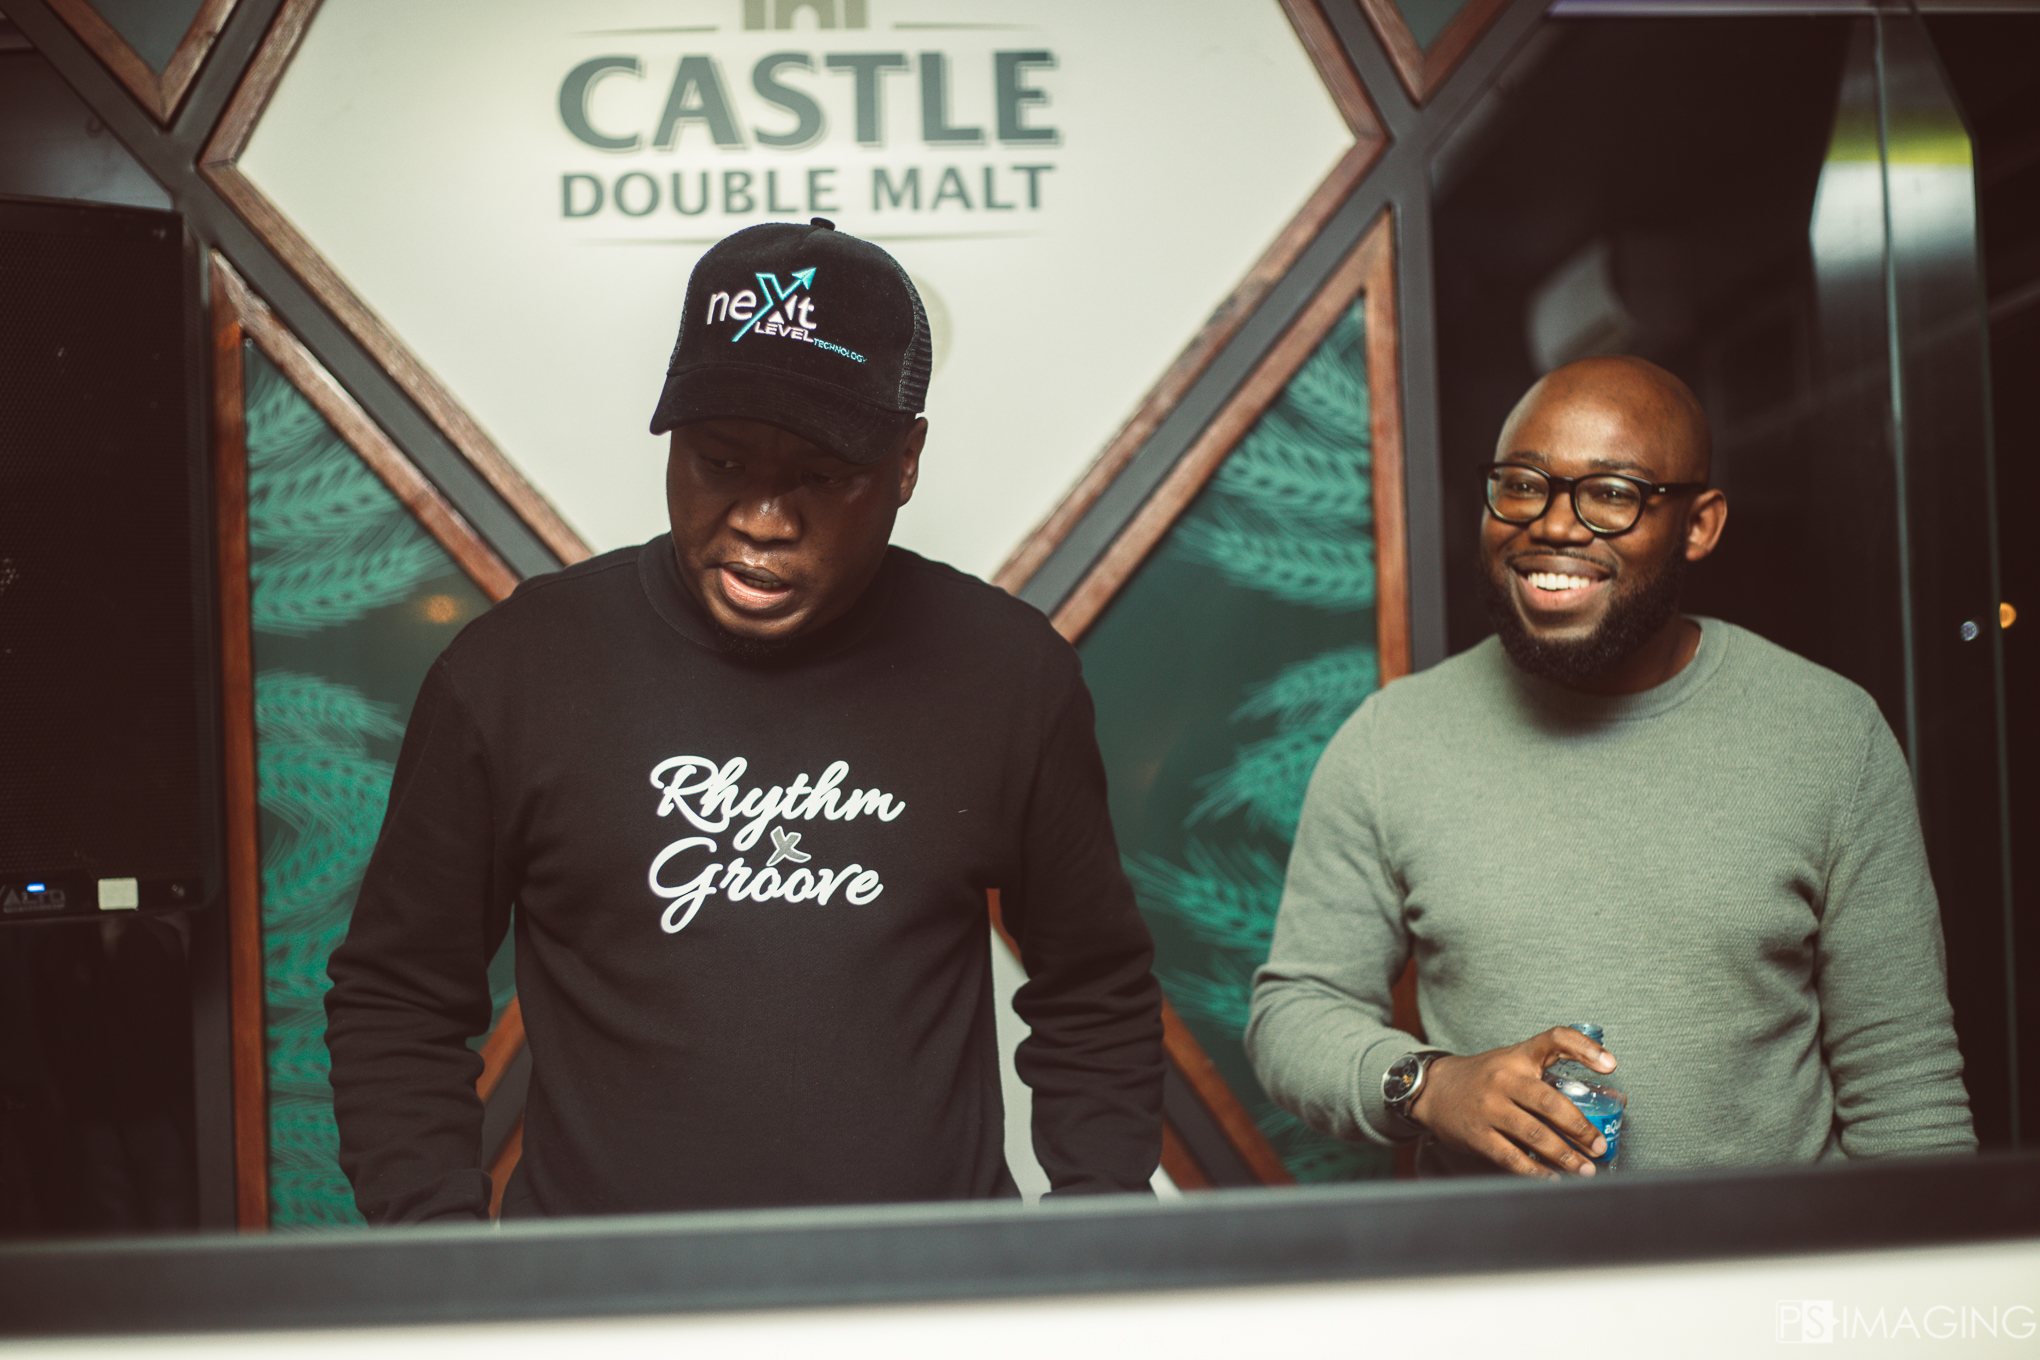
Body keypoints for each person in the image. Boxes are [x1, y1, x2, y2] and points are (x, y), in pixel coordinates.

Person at [325, 219, 1165, 1222]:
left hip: (927, 1290)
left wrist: (1093, 1233)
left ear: (905, 461)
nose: (764, 520)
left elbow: (1094, 986)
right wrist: (448, 1262)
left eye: (821, 476)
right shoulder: (514, 672)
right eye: (720, 462)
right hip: (603, 1294)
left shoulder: (1008, 673)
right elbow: (400, 997)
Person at [1246, 354, 1976, 1177]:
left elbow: (1905, 1085)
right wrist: (1432, 1085)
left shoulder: (1831, 735)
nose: (1555, 525)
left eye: (1611, 493)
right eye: (1522, 484)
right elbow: (1295, 1014)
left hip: (1769, 1258)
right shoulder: (1391, 742)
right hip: (1499, 1261)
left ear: (1699, 525)